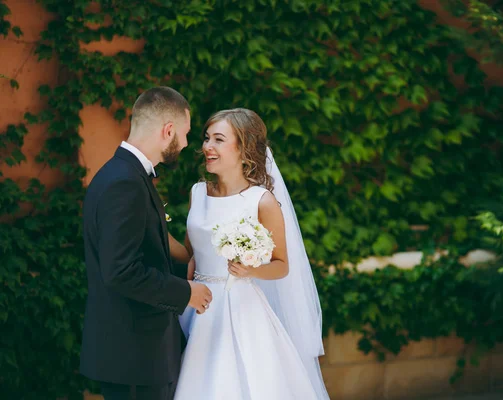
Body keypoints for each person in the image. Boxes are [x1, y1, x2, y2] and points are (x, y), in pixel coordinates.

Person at [173, 108, 330, 399]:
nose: (207, 146)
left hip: (240, 308)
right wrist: (155, 226)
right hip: (197, 304)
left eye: (219, 139)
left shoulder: (262, 202)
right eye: (207, 138)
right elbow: (189, 253)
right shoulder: (197, 192)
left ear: (244, 149)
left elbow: (282, 265)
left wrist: (251, 270)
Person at [80, 86, 213, 400]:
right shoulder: (125, 183)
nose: (186, 143)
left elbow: (147, 252)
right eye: (185, 133)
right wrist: (186, 293)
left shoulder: (125, 175)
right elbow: (121, 271)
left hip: (137, 356)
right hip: (134, 358)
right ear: (168, 131)